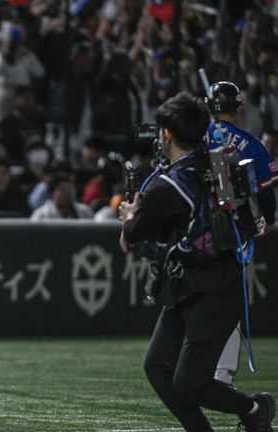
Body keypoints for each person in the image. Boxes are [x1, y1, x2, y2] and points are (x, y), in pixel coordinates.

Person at [118, 92, 275, 432]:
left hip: (211, 293)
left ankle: (253, 408)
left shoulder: (166, 186)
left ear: (166, 134)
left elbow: (131, 236)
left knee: (189, 382)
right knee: (158, 367)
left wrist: (130, 214)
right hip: (198, 286)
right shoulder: (215, 166)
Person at [204, 82, 278, 387]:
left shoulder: (193, 137)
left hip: (193, 229)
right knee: (227, 302)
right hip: (232, 231)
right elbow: (265, 193)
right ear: (238, 107)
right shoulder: (252, 144)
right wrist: (268, 222)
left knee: (190, 298)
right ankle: (221, 376)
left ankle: (183, 366)